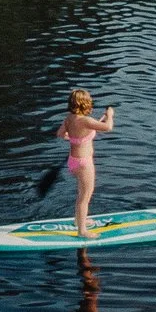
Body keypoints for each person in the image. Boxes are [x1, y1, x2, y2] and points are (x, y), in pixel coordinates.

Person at [56, 89, 116, 238]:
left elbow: (60, 135)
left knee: (81, 193)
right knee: (85, 196)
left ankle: (78, 221)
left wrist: (76, 138)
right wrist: (110, 115)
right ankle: (82, 231)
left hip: (73, 161)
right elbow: (108, 127)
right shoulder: (86, 121)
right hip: (84, 164)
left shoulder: (69, 119)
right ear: (85, 103)